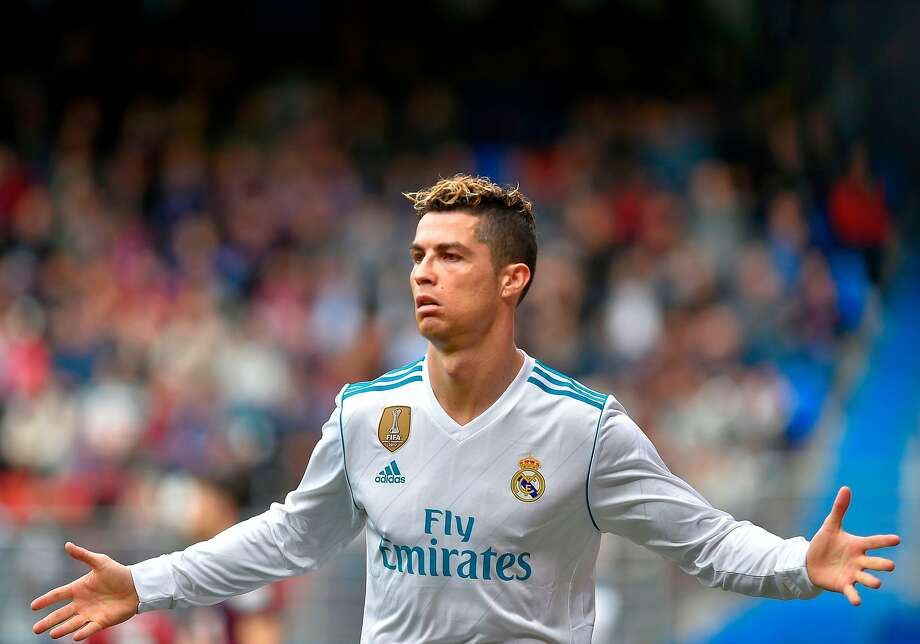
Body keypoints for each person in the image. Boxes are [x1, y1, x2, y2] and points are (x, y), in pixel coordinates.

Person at [32, 175, 900, 643]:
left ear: (512, 278)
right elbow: (290, 536)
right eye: (418, 255)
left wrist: (798, 562)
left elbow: (704, 539)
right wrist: (145, 583)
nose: (422, 272)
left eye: (450, 256)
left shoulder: (584, 429)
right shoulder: (366, 415)